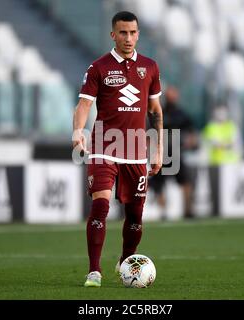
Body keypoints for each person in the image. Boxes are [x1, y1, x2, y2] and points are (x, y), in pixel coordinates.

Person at [72, 11, 163, 287]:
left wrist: (158, 149)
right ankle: (94, 271)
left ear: (138, 34)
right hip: (103, 147)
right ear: (113, 35)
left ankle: (126, 262)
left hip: (136, 151)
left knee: (135, 215)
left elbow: (155, 111)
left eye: (133, 32)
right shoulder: (98, 67)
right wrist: (78, 130)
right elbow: (84, 105)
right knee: (100, 205)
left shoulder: (150, 67)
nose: (128, 38)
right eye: (123, 32)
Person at [148, 86, 198, 219]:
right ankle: (163, 212)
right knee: (158, 185)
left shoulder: (181, 114)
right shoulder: (159, 112)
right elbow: (150, 133)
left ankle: (188, 210)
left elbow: (191, 131)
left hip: (176, 153)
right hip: (160, 154)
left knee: (186, 181)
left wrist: (191, 141)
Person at [203, 105, 241, 216]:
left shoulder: (231, 126)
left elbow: (235, 143)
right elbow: (215, 143)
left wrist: (223, 144)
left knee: (229, 191)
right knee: (216, 192)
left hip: (230, 164)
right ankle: (216, 212)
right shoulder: (211, 127)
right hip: (215, 164)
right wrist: (226, 144)